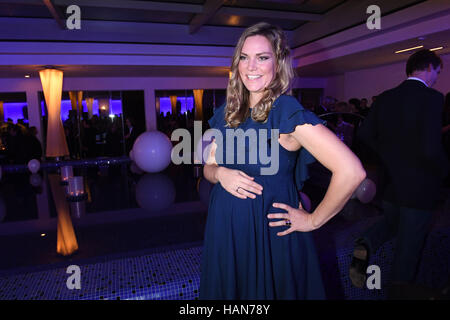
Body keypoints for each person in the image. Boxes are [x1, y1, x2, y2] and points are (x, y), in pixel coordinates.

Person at [199, 22, 366, 299]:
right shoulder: (228, 112)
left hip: (266, 234)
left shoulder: (284, 110)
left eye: (262, 57)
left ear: (278, 63)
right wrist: (220, 175)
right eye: (244, 57)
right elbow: (208, 166)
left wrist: (313, 221)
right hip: (225, 231)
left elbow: (351, 171)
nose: (251, 66)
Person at [350, 49, 449, 298]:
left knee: (393, 223)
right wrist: (445, 171)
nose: (436, 77)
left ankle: (367, 242)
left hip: (392, 184)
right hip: (420, 187)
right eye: (437, 71)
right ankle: (398, 295)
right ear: (428, 68)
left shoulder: (385, 98)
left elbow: (364, 134)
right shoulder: (433, 98)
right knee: (409, 250)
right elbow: (429, 150)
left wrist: (390, 157)